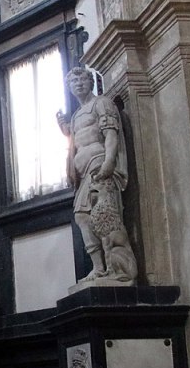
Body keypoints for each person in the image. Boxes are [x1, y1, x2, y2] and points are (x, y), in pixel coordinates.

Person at [57, 67, 137, 283]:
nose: (79, 84)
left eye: (82, 80)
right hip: (84, 173)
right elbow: (78, 138)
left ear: (90, 82)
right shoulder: (76, 115)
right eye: (74, 82)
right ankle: (99, 268)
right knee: (82, 216)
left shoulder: (101, 103)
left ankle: (119, 270)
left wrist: (109, 162)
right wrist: (65, 129)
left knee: (105, 216)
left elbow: (110, 134)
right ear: (69, 88)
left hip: (99, 165)